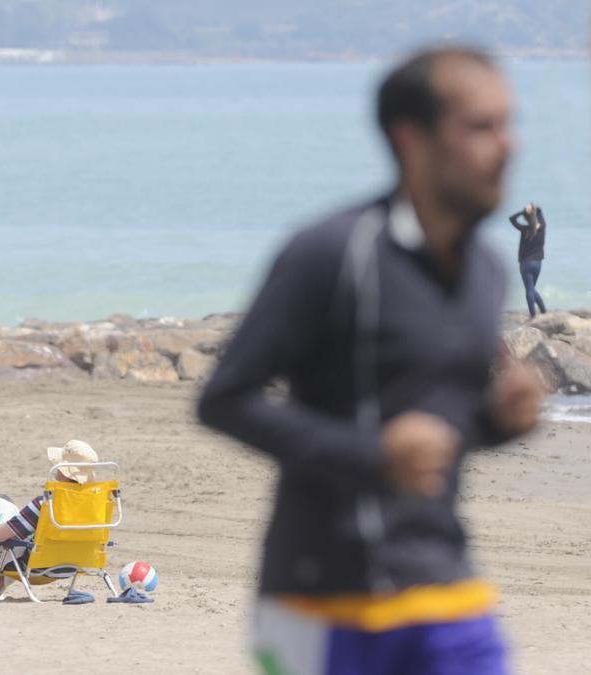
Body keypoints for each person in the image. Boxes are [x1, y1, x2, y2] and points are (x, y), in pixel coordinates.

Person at [196, 47, 544, 674]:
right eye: (481, 126)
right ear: (411, 139)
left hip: (444, 584)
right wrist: (373, 455)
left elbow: (436, 436)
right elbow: (224, 399)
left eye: (508, 123)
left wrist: (497, 424)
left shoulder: (485, 271)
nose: (508, 145)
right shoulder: (330, 251)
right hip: (319, 600)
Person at [0, 440, 99, 601]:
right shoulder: (96, 504)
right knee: (2, 511)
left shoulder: (47, 504)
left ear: (63, 471)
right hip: (76, 564)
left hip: (35, 566)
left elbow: (4, 533)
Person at [509, 202, 548, 317]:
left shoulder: (524, 229)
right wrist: (535, 210)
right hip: (538, 263)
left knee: (529, 290)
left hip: (526, 264)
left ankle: (533, 315)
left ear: (526, 218)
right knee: (531, 289)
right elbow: (540, 213)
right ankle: (544, 311)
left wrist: (523, 212)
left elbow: (511, 219)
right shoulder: (542, 227)